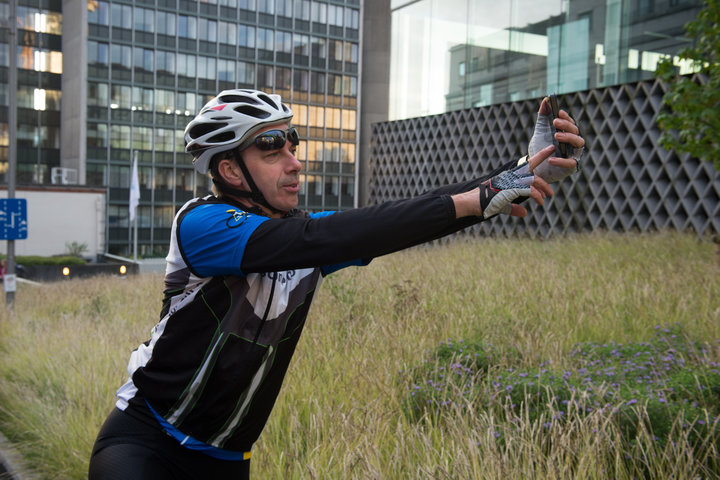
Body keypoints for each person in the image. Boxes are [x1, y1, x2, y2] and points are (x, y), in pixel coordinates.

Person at [88, 89, 584, 479]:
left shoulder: (304, 243)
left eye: (293, 142)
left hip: (226, 458)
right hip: (145, 438)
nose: (295, 160)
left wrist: (514, 176)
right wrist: (486, 194)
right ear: (228, 170)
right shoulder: (201, 224)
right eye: (271, 146)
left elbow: (390, 223)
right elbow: (319, 237)